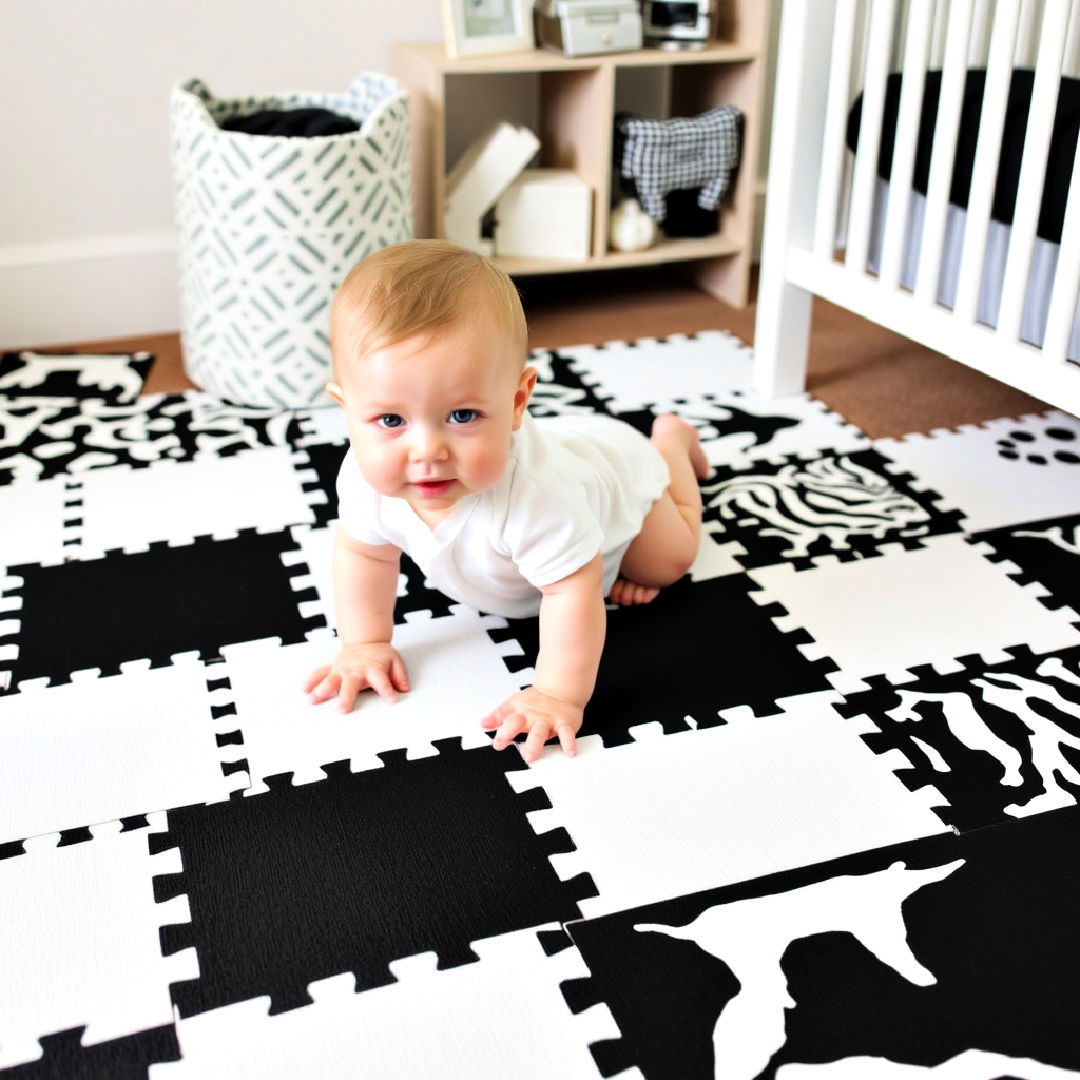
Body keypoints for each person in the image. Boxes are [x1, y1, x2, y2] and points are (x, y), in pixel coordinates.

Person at [304, 239, 708, 763]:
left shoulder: (538, 497)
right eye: (390, 420)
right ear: (347, 408)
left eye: (463, 416)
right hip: (546, 522)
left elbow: (570, 594)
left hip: (618, 486)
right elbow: (364, 553)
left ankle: (670, 444)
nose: (427, 451)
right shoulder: (363, 477)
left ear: (517, 401)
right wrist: (364, 643)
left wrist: (557, 695)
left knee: (667, 563)